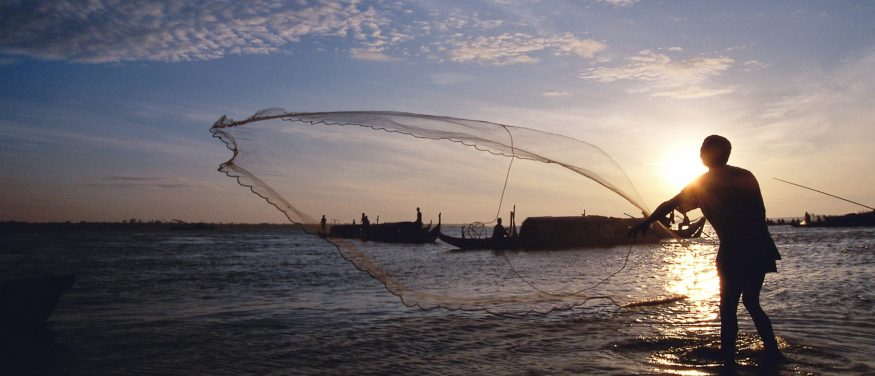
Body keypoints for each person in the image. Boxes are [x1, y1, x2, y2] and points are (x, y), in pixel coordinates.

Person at [628, 135, 782, 366]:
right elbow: (758, 212)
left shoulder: (703, 183)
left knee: (728, 308)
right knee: (751, 301)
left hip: (734, 250)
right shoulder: (744, 175)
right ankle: (773, 352)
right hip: (760, 246)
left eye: (702, 150)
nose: (699, 154)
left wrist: (646, 222)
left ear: (711, 154)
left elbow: (671, 204)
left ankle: (728, 361)